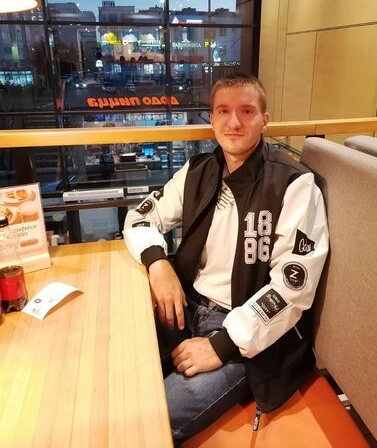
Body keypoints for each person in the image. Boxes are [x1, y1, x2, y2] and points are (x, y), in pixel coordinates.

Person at [123, 73, 329, 444]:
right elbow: (140, 217)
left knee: (148, 416)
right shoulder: (197, 171)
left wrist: (222, 346)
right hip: (185, 306)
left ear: (265, 120)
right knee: (119, 375)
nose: (234, 122)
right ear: (212, 118)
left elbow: (292, 289)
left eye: (246, 111)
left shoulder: (294, 184)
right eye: (223, 111)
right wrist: (157, 262)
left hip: (247, 337)